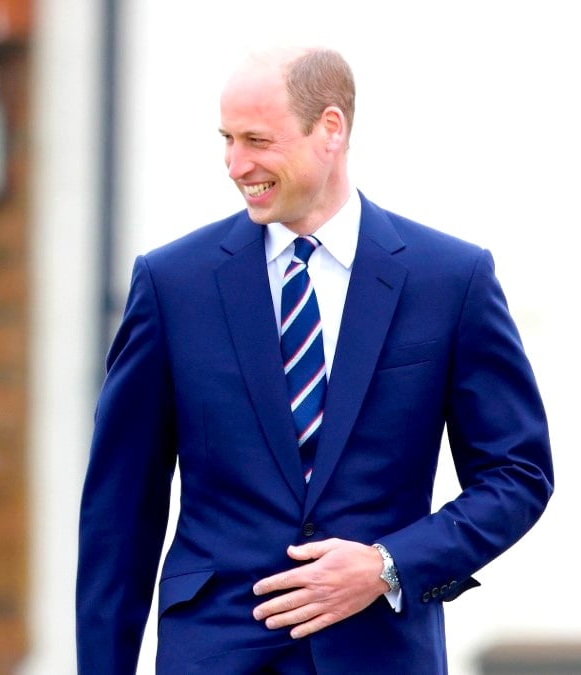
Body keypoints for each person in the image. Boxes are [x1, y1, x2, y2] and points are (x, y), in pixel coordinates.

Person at [76, 47, 553, 673]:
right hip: (214, 651)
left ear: (331, 129)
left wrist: (387, 565)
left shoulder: (451, 280)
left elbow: (517, 475)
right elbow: (120, 509)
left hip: (380, 654)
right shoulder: (173, 284)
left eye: (257, 140)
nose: (235, 164)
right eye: (226, 140)